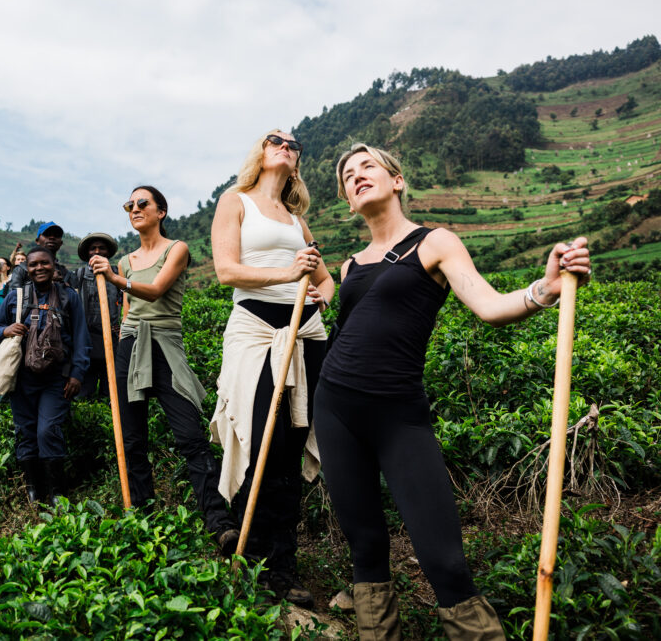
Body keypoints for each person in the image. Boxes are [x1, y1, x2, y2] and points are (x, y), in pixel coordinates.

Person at [314, 143, 591, 639]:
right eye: (347, 176)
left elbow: (488, 305)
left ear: (396, 180)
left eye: (367, 167)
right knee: (366, 547)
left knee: (443, 558)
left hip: (399, 415)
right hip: (334, 409)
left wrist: (543, 290)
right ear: (347, 201)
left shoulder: (435, 242)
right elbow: (348, 331)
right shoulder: (350, 265)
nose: (356, 176)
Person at [209, 130, 335, 609]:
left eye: (293, 142)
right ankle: (253, 559)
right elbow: (226, 270)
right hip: (257, 329)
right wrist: (287, 274)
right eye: (275, 138)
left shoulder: (297, 220)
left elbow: (323, 278)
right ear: (260, 153)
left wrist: (323, 292)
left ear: (296, 160)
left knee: (289, 447)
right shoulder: (235, 201)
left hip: (305, 332)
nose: (286, 143)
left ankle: (282, 566)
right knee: (262, 438)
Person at [89, 186, 238, 551]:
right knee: (132, 440)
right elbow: (128, 310)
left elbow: (154, 290)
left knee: (191, 437)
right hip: (130, 347)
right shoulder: (124, 261)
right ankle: (142, 518)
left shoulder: (177, 249)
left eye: (143, 203)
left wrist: (113, 278)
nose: (135, 209)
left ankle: (219, 523)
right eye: (130, 205)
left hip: (165, 346)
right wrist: (118, 294)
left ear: (161, 212)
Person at [0, 246, 91, 506]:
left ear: (53, 265)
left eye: (44, 263)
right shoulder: (15, 297)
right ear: (27, 269)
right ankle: (33, 489)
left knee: (48, 430)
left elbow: (81, 339)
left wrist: (77, 374)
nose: (39, 268)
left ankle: (57, 491)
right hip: (21, 380)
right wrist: (6, 330)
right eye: (33, 265)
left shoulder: (69, 297)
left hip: (56, 379)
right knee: (26, 431)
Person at [74, 232, 123, 399]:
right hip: (85, 338)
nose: (97, 251)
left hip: (111, 337)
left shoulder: (117, 274)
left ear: (107, 252)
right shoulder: (78, 275)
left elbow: (128, 301)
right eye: (93, 248)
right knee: (83, 389)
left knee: (110, 388)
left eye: (101, 248)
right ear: (87, 253)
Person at [8, 222, 76, 290]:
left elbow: (73, 297)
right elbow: (14, 297)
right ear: (37, 241)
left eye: (56, 235)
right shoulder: (22, 270)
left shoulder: (66, 273)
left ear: (61, 243)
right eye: (47, 234)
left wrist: (61, 284)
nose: (52, 237)